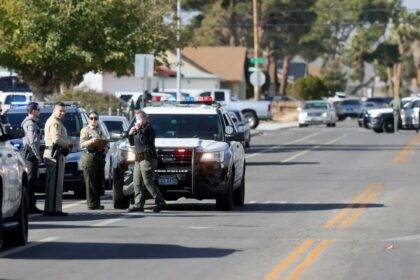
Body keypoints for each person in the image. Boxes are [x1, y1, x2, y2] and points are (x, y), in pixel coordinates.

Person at [128, 110, 166, 212]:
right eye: (136, 119)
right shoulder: (138, 129)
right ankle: (138, 204)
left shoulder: (149, 128)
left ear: (145, 119)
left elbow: (144, 140)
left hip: (147, 158)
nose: (138, 121)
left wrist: (139, 129)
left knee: (147, 182)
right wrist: (130, 134)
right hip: (138, 158)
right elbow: (132, 143)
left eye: (140, 119)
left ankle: (160, 202)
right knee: (136, 182)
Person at [43, 102, 72, 216]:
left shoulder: (56, 121)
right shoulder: (54, 122)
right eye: (60, 110)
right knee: (55, 184)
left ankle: (51, 209)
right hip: (55, 154)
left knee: (53, 183)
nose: (62, 113)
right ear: (54, 110)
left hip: (53, 153)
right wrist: (69, 142)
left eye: (64, 111)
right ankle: (54, 210)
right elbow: (56, 140)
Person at [80, 111, 108, 210]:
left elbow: (106, 142)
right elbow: (82, 144)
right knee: (90, 181)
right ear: (88, 119)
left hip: (99, 156)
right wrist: (92, 141)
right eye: (91, 118)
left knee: (99, 181)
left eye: (95, 118)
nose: (93, 120)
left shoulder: (100, 130)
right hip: (90, 155)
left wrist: (105, 148)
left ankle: (97, 202)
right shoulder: (85, 130)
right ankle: (92, 203)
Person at [21, 102, 43, 214]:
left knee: (32, 181)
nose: (39, 111)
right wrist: (37, 155)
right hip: (30, 155)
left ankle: (31, 205)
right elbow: (32, 142)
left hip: (30, 155)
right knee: (30, 181)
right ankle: (30, 206)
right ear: (33, 111)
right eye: (38, 109)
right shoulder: (30, 124)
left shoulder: (30, 122)